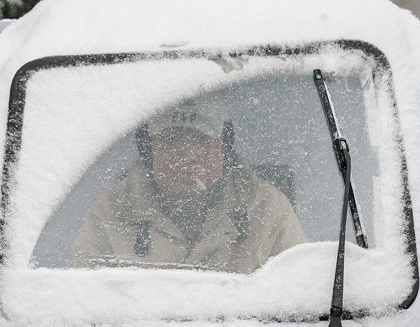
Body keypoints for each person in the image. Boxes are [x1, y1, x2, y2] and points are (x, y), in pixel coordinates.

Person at [72, 98, 305, 273]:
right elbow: (84, 311)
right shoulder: (110, 215)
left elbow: (298, 303)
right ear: (147, 149)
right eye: (172, 139)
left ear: (224, 145)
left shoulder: (268, 211)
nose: (186, 156)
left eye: (201, 140)